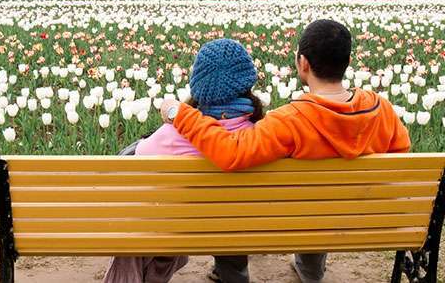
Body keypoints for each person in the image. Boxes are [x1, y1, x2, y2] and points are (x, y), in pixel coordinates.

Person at [159, 19, 411, 283]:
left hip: (299, 220)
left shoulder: (291, 120)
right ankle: (310, 269)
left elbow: (230, 153)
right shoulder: (380, 109)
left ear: (302, 63)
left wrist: (180, 113)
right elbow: (400, 154)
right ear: (347, 61)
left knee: (312, 204)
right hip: (361, 221)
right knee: (322, 204)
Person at [104, 38, 262, 283]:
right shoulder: (260, 135)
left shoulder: (172, 135)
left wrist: (173, 112)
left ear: (198, 85)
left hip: (179, 228)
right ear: (247, 83)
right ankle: (233, 274)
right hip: (236, 227)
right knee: (232, 211)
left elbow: (131, 167)